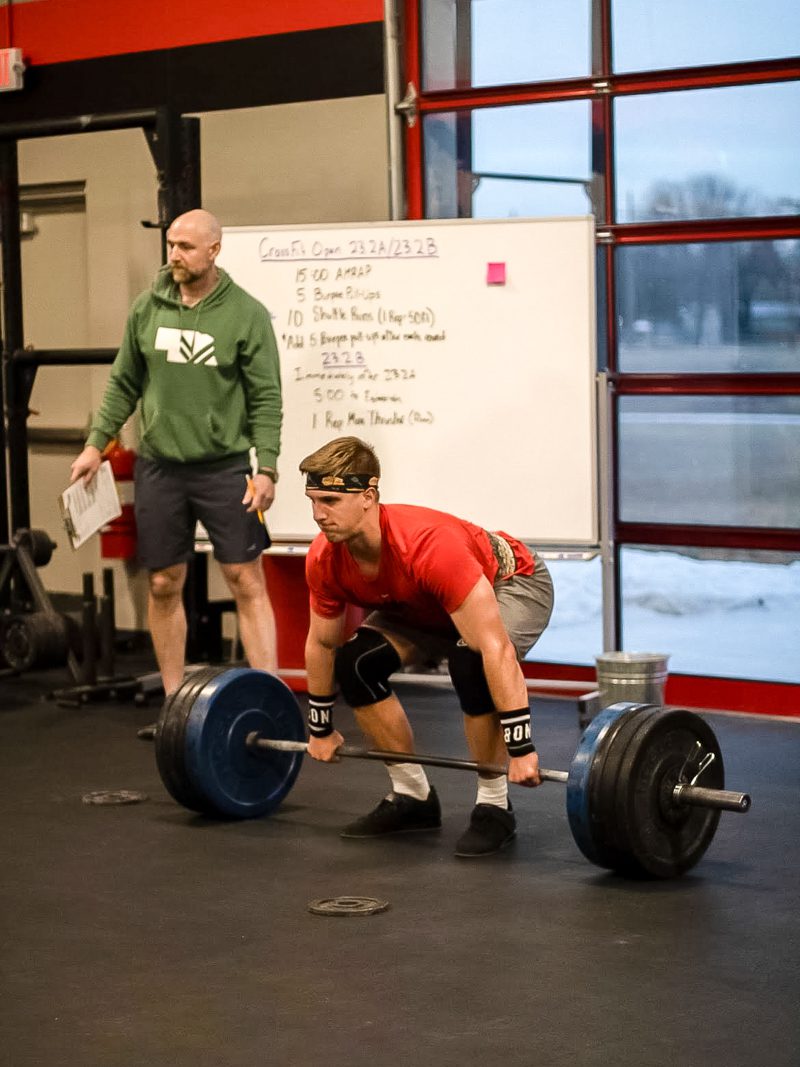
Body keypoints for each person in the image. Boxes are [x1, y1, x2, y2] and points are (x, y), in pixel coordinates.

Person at [299, 436, 555, 858]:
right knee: (356, 663)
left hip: (509, 582)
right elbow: (322, 643)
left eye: (330, 500)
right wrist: (320, 728)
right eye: (313, 500)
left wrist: (522, 749)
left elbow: (495, 649)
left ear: (368, 496)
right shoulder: (325, 558)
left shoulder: (428, 545)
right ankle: (412, 796)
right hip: (422, 604)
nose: (318, 514)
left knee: (470, 660)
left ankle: (494, 806)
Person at [70, 208, 282, 697]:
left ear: (214, 250)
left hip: (225, 468)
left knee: (244, 579)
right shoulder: (148, 308)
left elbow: (266, 398)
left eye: (186, 246)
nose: (175, 255)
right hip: (160, 469)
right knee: (164, 583)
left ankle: (269, 696)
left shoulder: (245, 314)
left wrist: (266, 466)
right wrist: (93, 446)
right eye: (171, 245)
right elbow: (123, 383)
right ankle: (173, 705)